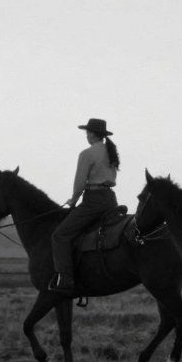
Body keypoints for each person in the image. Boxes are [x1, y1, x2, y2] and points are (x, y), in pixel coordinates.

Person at [49, 118, 120, 295]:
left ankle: (65, 278)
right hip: (110, 199)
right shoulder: (110, 152)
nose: (86, 135)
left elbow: (80, 183)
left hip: (93, 201)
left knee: (60, 235)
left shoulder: (87, 153)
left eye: (87, 132)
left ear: (92, 134)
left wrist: (72, 200)